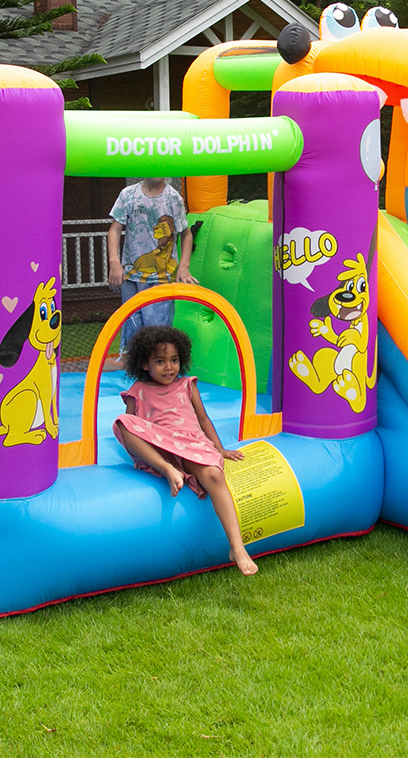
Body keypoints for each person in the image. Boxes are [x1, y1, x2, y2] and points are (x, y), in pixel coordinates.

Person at [114, 325, 259, 576]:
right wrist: (146, 456)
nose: (169, 367)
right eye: (160, 361)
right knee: (123, 422)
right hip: (161, 446)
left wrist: (220, 449)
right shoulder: (138, 391)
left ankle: (237, 547)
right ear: (145, 364)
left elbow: (203, 419)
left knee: (214, 475)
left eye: (174, 360)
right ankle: (168, 469)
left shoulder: (187, 385)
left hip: (190, 443)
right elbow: (133, 429)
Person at [108, 177, 197, 359]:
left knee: (157, 331)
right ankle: (136, 368)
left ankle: (159, 366)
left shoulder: (173, 198)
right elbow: (114, 230)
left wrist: (184, 266)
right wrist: (114, 263)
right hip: (131, 277)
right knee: (133, 327)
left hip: (160, 279)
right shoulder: (128, 195)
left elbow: (186, 235)